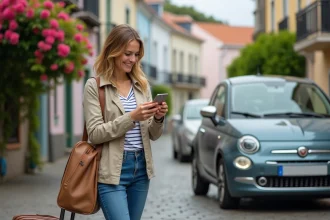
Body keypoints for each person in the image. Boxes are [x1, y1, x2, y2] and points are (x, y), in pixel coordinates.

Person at [83, 24, 168, 220]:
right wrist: (131, 118)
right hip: (112, 170)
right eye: (127, 53)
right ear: (113, 51)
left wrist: (158, 117)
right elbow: (95, 133)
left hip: (141, 170)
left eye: (136, 54)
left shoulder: (142, 85)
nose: (133, 59)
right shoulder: (95, 86)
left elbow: (154, 135)